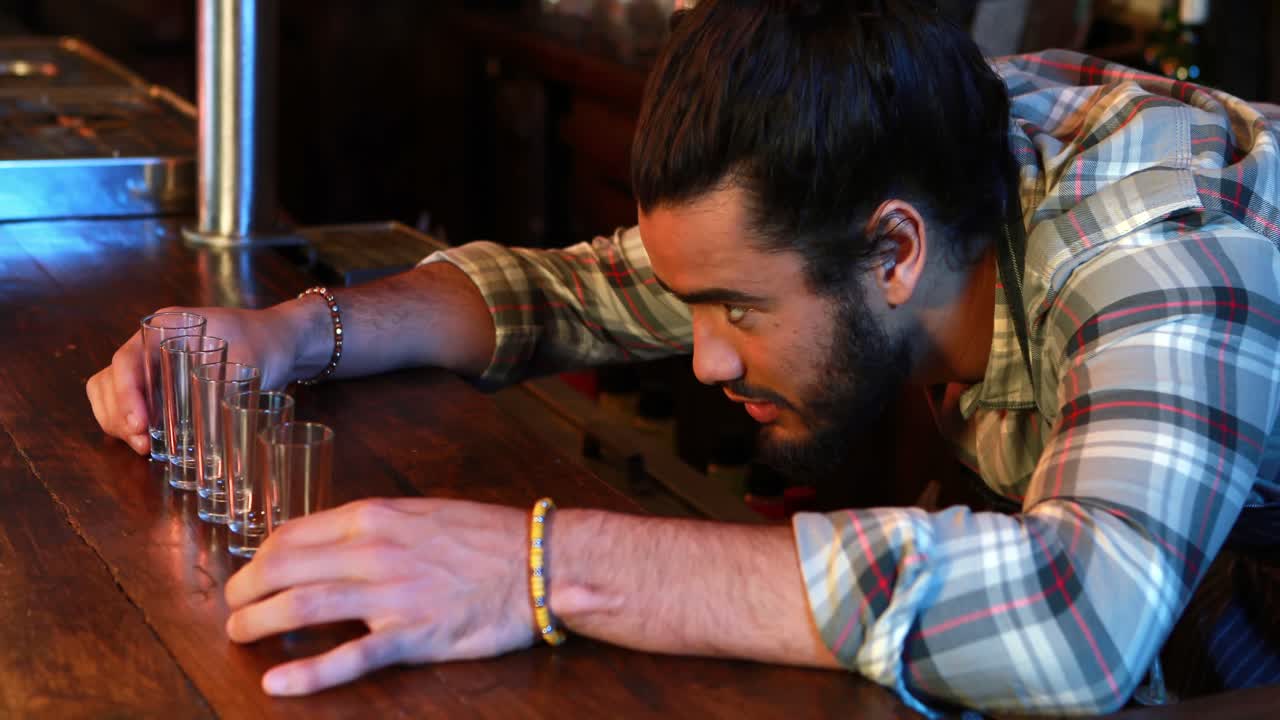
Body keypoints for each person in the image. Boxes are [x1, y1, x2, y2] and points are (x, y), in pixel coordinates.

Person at [85, 0, 1280, 714]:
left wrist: (538, 567)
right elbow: (565, 291)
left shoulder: (1156, 245)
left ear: (894, 252)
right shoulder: (900, 148)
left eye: (736, 311)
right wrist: (286, 333)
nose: (703, 359)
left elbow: (1080, 615)